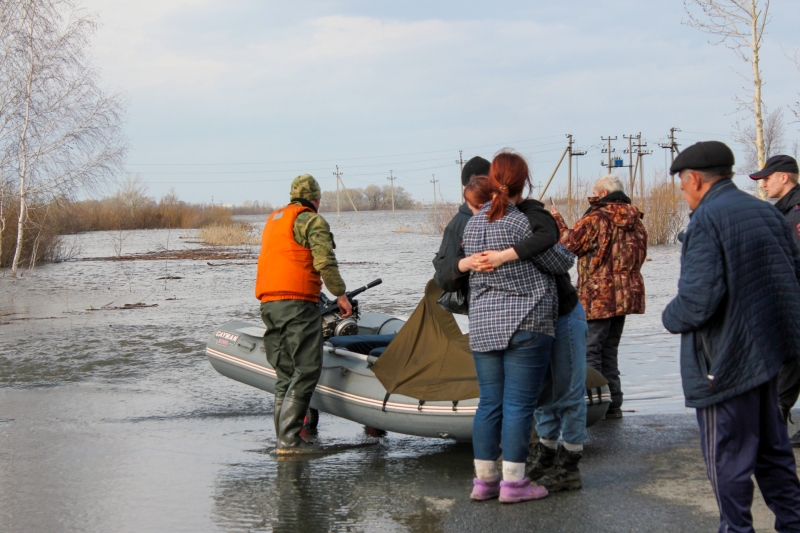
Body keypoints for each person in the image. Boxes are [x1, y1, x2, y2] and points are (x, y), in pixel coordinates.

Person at [662, 141, 800, 532]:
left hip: (723, 361)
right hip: (768, 354)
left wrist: (667, 315)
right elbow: (793, 276)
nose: (683, 191)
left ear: (695, 180)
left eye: (682, 183)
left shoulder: (706, 220)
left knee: (728, 461)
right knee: (774, 454)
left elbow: (696, 302)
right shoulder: (767, 213)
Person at [463, 152, 574, 504]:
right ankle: (513, 484)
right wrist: (566, 252)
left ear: (491, 180)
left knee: (489, 403)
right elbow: (557, 259)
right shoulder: (519, 223)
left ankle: (484, 482)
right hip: (527, 321)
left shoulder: (473, 223)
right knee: (518, 405)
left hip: (483, 324)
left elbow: (460, 265)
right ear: (523, 182)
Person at [256, 174, 352, 454]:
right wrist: (341, 295)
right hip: (297, 305)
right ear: (316, 199)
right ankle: (289, 441)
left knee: (284, 373)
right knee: (307, 368)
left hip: (269, 305)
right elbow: (324, 260)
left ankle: (282, 439)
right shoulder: (312, 220)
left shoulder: (274, 221)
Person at [550, 175, 647, 419]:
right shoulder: (636, 220)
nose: (592, 197)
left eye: (594, 193)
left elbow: (568, 245)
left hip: (599, 295)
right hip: (626, 295)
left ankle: (595, 404)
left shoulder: (596, 218)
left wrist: (557, 221)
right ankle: (614, 404)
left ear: (603, 193)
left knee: (591, 349)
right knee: (609, 350)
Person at [750, 154, 800, 447]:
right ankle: (774, 421)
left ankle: (773, 423)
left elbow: (792, 262)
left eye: (767, 178)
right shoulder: (784, 211)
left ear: (784, 177)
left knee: (790, 359)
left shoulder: (795, 213)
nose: (764, 184)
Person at [432, 156, 491, 295]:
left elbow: (444, 278)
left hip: (480, 307)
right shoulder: (459, 225)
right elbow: (445, 277)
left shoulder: (457, 224)